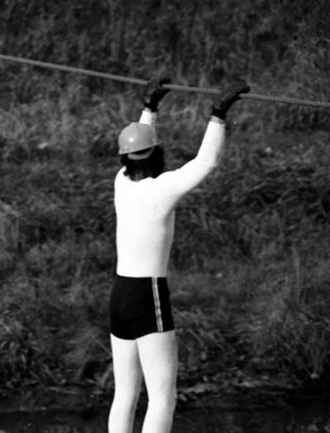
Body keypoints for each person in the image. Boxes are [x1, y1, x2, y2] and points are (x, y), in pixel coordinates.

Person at [107, 79, 250, 433]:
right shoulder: (162, 189)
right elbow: (206, 162)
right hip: (147, 295)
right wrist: (218, 115)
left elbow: (140, 143)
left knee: (125, 392)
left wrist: (149, 108)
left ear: (123, 158)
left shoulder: (120, 182)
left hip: (120, 295)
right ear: (157, 154)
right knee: (162, 397)